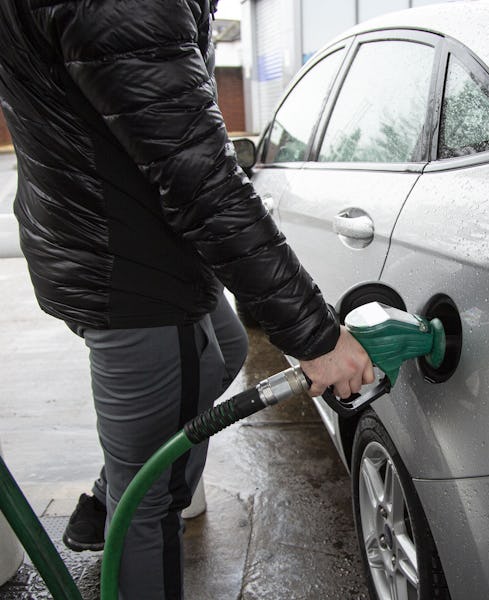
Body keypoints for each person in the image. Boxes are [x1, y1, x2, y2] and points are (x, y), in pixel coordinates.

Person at [0, 1, 374, 598]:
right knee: (147, 505)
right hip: (134, 271)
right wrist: (318, 338)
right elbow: (202, 180)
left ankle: (110, 494)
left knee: (224, 348)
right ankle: (126, 496)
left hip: (110, 244)